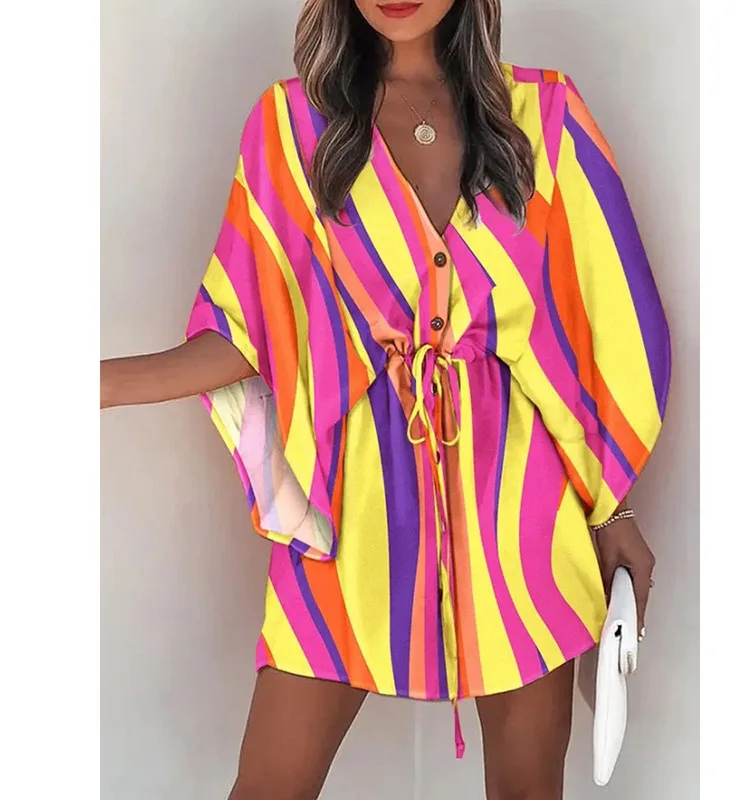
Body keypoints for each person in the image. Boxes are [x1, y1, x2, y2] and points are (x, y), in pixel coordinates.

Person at [101, 1, 671, 797]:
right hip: (352, 513)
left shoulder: (546, 117)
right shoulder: (291, 127)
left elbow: (608, 318)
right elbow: (249, 330)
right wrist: (96, 383)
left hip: (524, 519)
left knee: (528, 788)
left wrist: (611, 510)